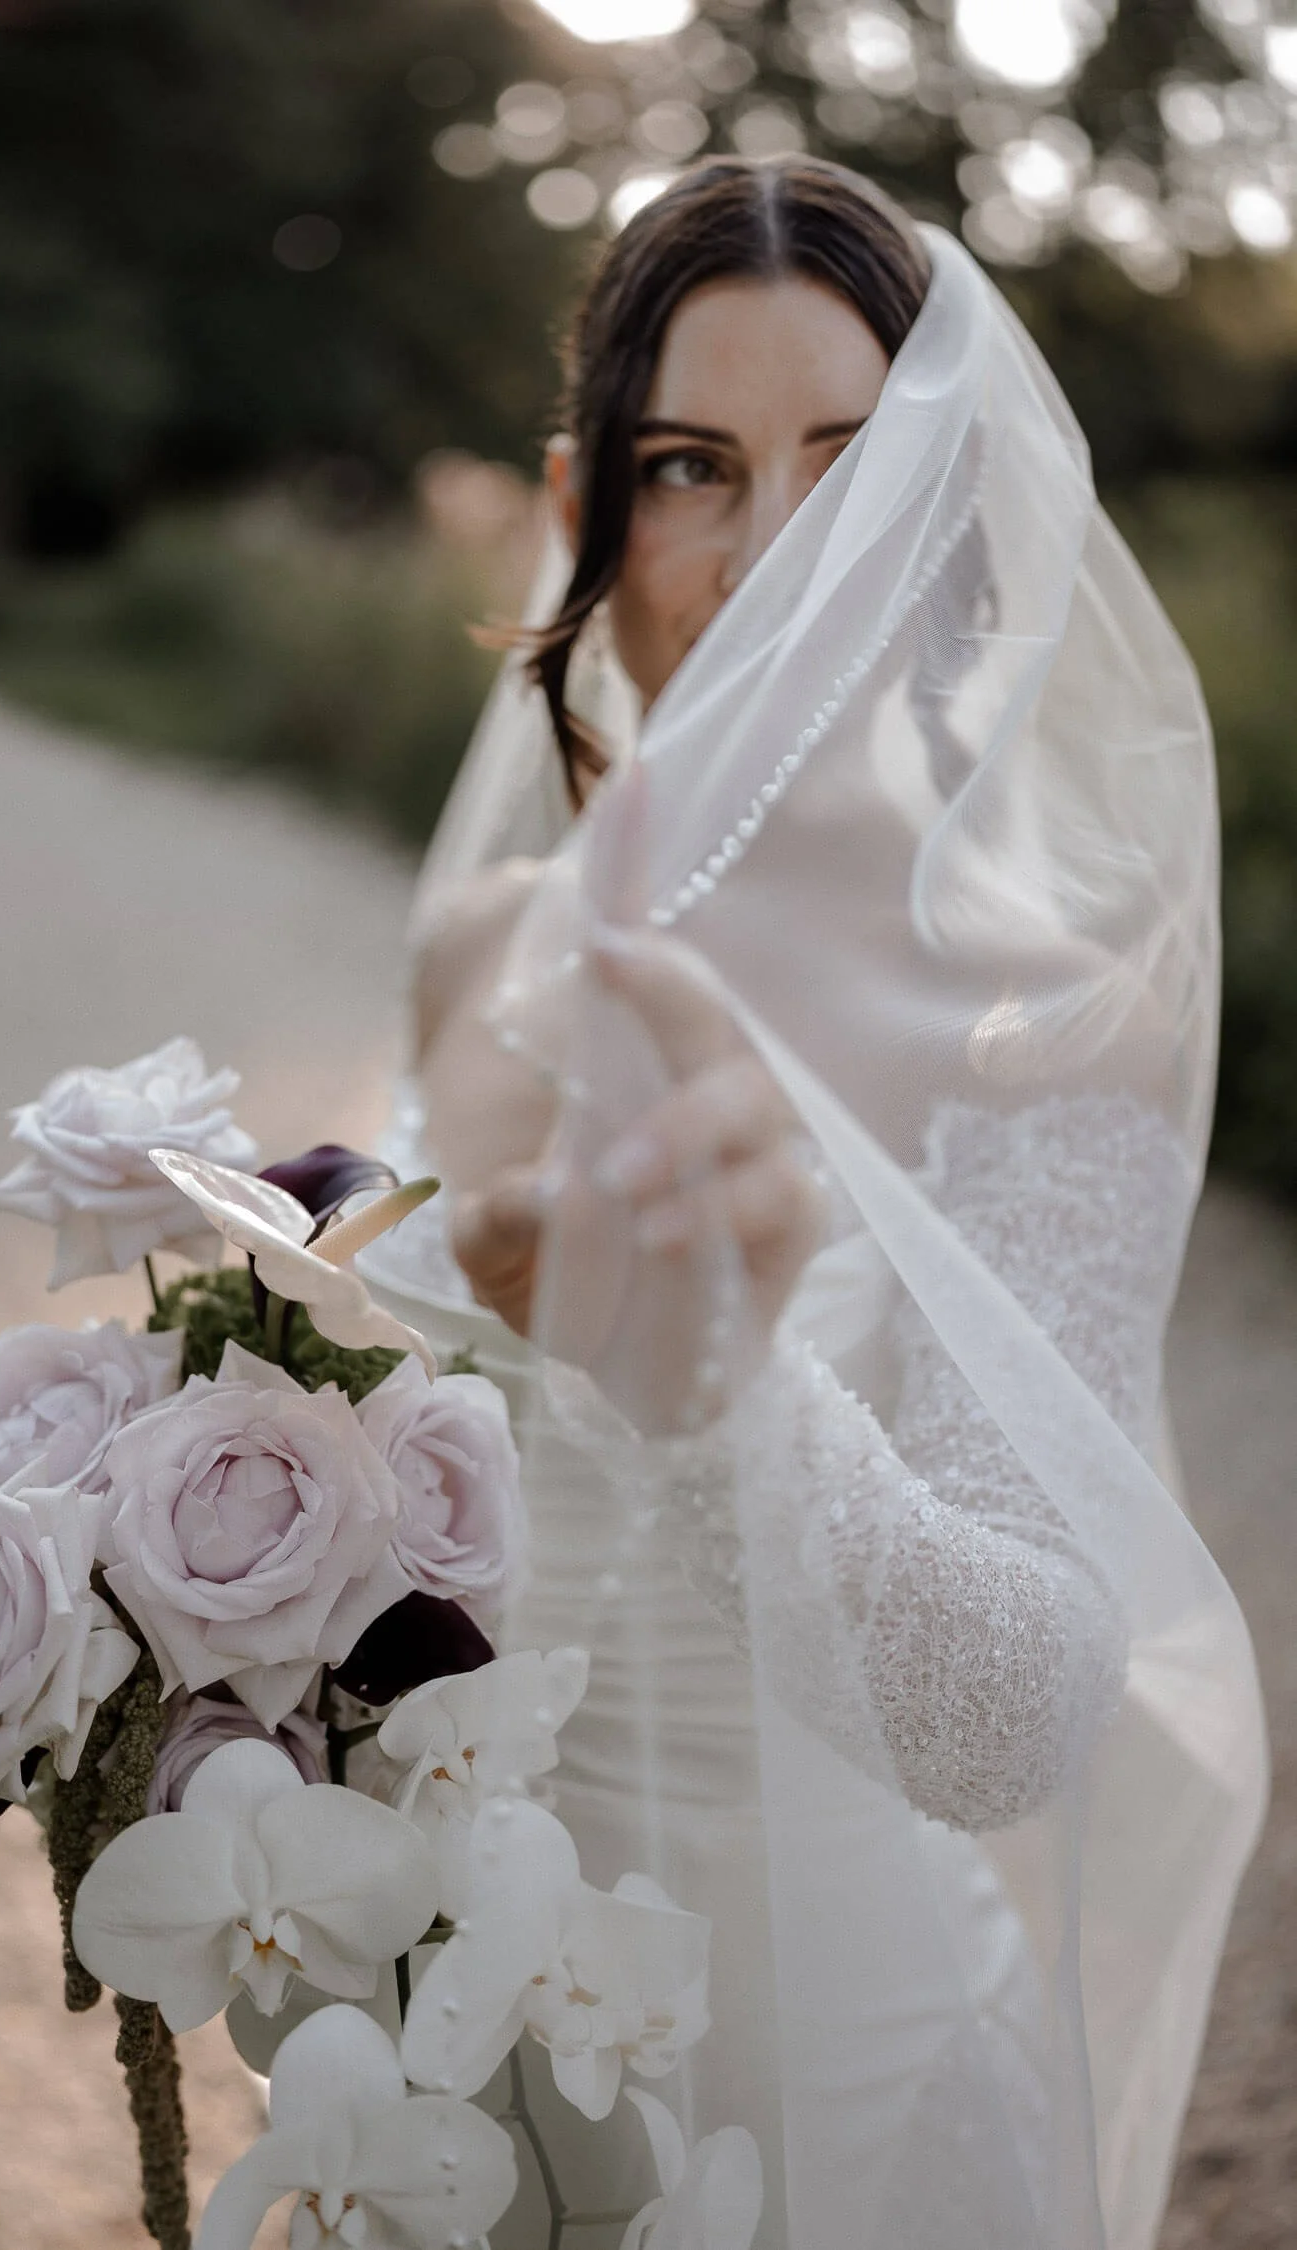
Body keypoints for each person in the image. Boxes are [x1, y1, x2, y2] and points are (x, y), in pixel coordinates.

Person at [357, 158, 1266, 2250]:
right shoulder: (480, 944)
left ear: (958, 518)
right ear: (587, 497)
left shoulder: (1045, 1026)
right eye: (695, 468)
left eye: (855, 470)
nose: (776, 554)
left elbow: (1020, 1718)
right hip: (439, 2061)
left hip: (833, 2084)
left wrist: (726, 1401)